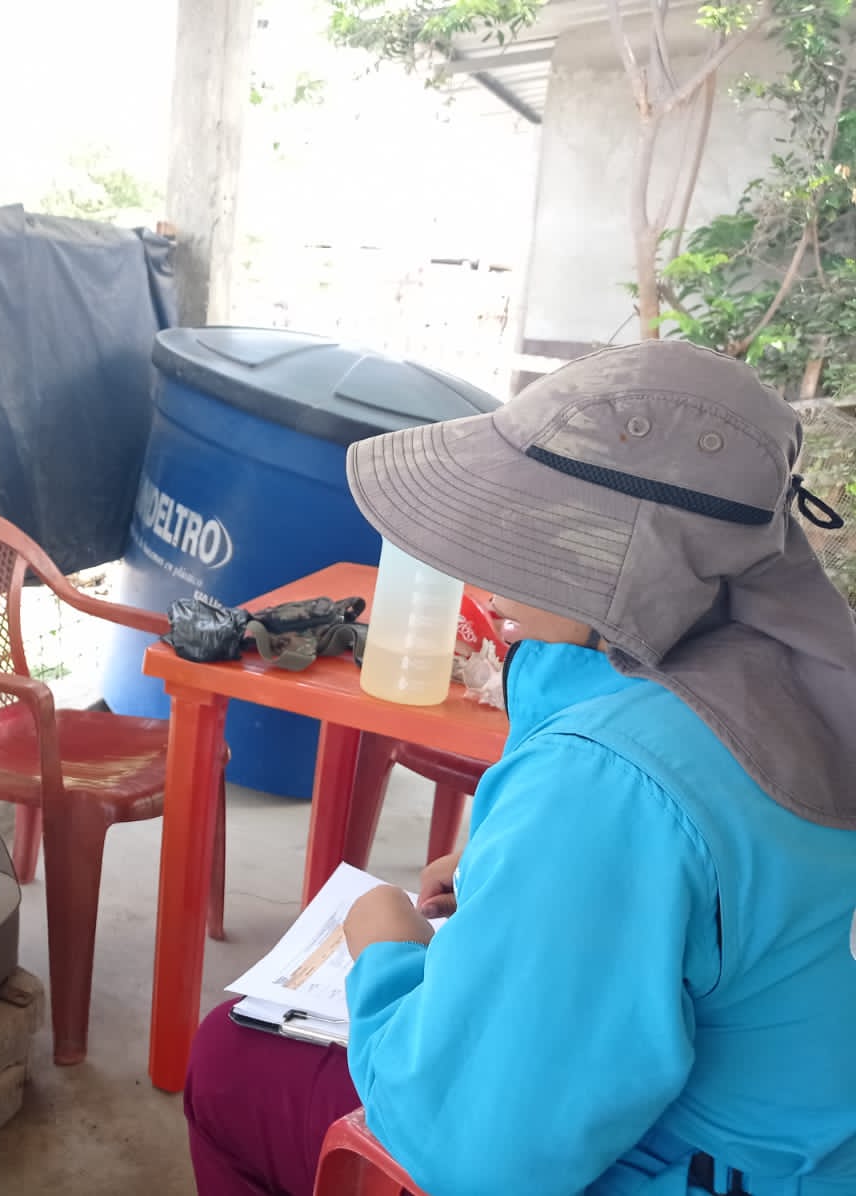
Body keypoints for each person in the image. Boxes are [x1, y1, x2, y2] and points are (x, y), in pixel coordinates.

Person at [183, 341, 856, 1195]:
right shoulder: (801, 674)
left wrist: (384, 948)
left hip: (711, 1169)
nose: (480, 571)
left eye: (524, 531)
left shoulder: (606, 782)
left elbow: (479, 1155)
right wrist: (510, 864)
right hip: (810, 1139)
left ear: (620, 560)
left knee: (232, 1059)